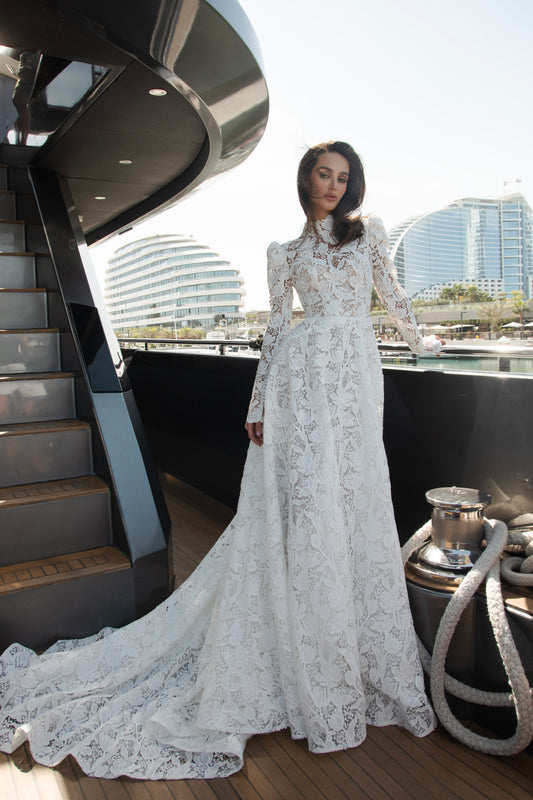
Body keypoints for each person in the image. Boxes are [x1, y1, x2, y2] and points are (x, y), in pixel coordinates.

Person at [0, 141, 440, 780]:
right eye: (324, 173)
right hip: (299, 384)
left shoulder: (367, 235)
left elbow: (393, 297)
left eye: (344, 177)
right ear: (306, 179)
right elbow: (277, 331)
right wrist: (259, 402)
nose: (334, 185)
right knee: (309, 508)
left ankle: (352, 649)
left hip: (353, 379)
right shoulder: (282, 253)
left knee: (354, 501)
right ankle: (306, 652)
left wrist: (422, 342)